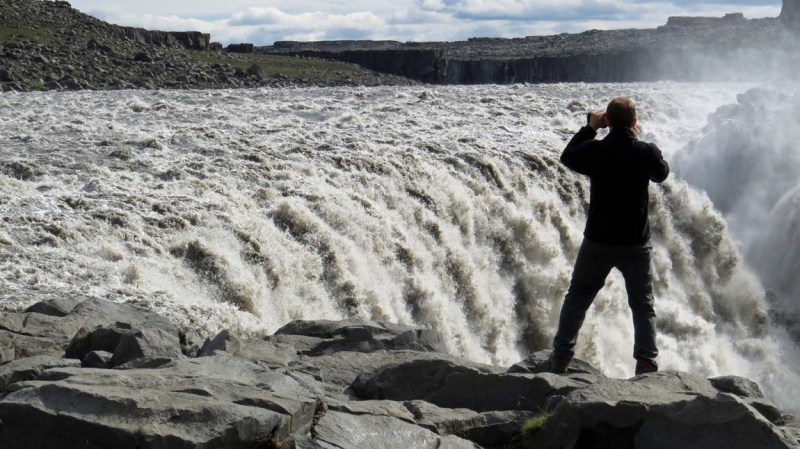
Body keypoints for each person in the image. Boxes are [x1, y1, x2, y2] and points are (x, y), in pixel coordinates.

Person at [549, 97, 670, 376]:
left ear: (608, 122)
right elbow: (661, 174)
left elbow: (568, 156)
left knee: (578, 296)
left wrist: (590, 128)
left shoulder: (595, 149)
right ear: (634, 122)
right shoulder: (646, 152)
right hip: (635, 243)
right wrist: (642, 144)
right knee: (642, 304)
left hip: (598, 241)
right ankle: (646, 362)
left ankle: (562, 355)